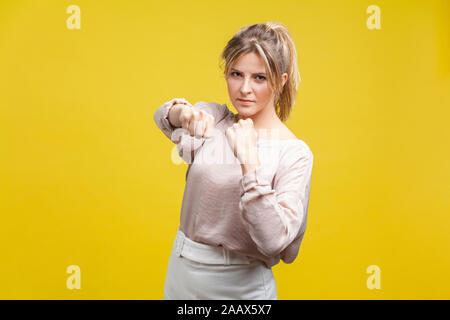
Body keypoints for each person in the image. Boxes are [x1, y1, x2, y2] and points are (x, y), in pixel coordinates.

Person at [153, 22, 314, 300]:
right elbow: (164, 116)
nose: (244, 88)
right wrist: (183, 114)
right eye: (236, 74)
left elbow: (274, 240)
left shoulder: (295, 154)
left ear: (281, 80)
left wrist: (249, 160)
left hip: (243, 285)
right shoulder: (215, 119)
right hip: (184, 273)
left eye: (259, 78)